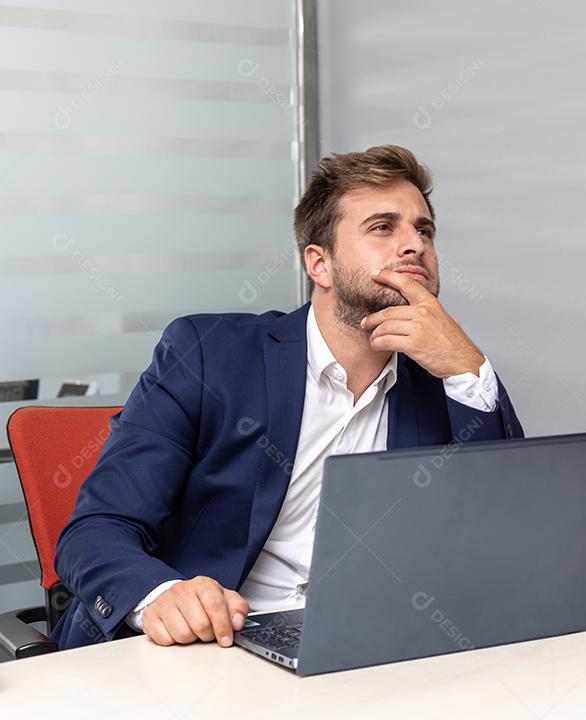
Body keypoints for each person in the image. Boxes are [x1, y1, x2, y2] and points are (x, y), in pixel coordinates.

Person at [52, 145, 524, 649]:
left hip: (361, 645)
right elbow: (97, 530)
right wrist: (161, 596)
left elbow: (509, 530)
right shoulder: (209, 354)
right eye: (383, 227)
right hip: (210, 645)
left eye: (423, 229)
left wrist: (469, 368)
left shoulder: (445, 384)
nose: (414, 246)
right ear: (319, 264)